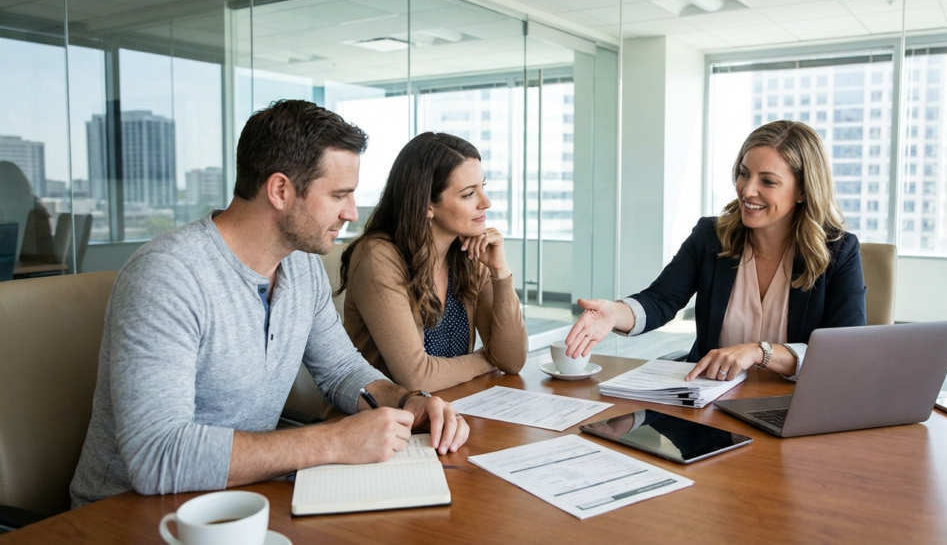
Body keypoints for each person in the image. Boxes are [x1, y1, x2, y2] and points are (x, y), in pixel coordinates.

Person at [70, 100, 469, 508]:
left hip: (241, 501)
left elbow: (342, 370)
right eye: (338, 195)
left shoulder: (300, 266)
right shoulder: (168, 276)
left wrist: (408, 402)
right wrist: (333, 440)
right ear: (280, 190)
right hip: (127, 514)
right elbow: (156, 456)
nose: (351, 212)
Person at [565, 120, 866, 382]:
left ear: (802, 190)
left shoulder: (839, 251)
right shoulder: (711, 236)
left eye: (768, 181)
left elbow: (844, 352)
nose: (747, 190)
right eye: (744, 174)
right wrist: (613, 313)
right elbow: (661, 300)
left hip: (795, 403)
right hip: (710, 396)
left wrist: (760, 353)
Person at [338, 132, 527, 392]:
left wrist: (500, 272)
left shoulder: (470, 254)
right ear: (428, 204)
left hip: (453, 410)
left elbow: (512, 361)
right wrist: (487, 358)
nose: (486, 203)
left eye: (483, 187)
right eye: (469, 194)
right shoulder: (378, 256)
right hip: (381, 423)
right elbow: (417, 379)